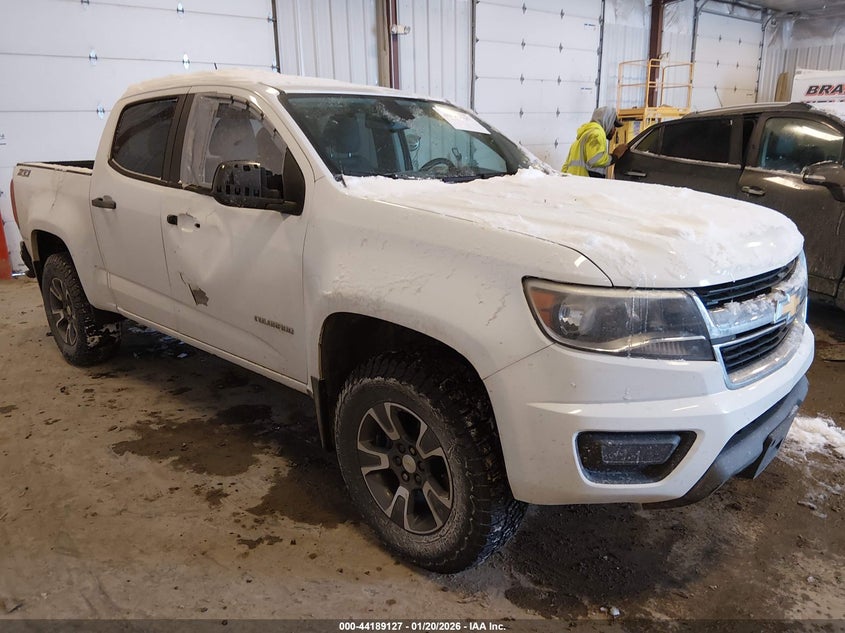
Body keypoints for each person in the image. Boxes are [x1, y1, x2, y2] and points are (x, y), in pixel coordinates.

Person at [561, 106, 626, 178]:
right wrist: (615, 156)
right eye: (614, 126)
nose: (615, 130)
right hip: (585, 184)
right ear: (608, 121)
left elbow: (565, 167)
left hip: (573, 184)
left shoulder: (581, 137)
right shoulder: (597, 133)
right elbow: (595, 159)